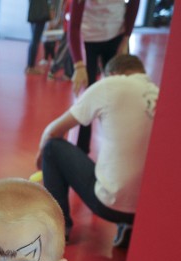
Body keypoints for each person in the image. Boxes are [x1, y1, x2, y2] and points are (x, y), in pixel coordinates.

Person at [37, 54, 158, 247]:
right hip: (148, 212)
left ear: (112, 73)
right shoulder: (159, 93)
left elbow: (53, 131)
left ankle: (59, 229)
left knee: (53, 147)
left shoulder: (111, 84)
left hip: (111, 204)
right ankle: (128, 226)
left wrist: (40, 159)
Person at [68, 0, 140, 152]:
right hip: (88, 39)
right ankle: (81, 149)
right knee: (87, 93)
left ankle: (116, 145)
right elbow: (73, 26)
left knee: (117, 94)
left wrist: (126, 38)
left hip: (116, 37)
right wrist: (79, 65)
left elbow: (134, 4)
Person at [26, 0, 54, 75]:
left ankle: (30, 65)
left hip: (33, 11)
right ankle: (31, 67)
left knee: (34, 40)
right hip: (40, 12)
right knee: (35, 40)